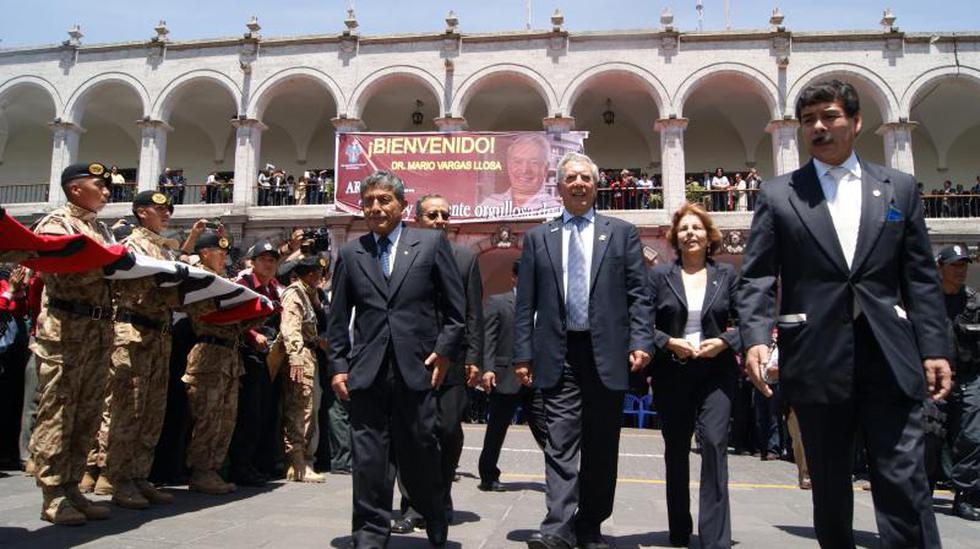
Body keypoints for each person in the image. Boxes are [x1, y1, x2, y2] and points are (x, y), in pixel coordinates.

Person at [738, 79, 952, 548]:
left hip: (889, 355)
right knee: (829, 484)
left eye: (830, 116)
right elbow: (756, 276)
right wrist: (755, 337)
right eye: (809, 119)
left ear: (855, 122)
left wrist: (935, 347)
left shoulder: (898, 188)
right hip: (816, 358)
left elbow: (919, 277)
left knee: (903, 479)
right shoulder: (779, 195)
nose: (819, 127)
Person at [514, 151, 653, 549]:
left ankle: (589, 523)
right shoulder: (539, 238)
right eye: (570, 178)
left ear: (597, 185)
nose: (578, 183)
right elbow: (526, 304)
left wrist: (642, 341)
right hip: (559, 355)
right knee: (559, 442)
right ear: (558, 188)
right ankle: (556, 528)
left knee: (602, 444)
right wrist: (522, 354)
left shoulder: (622, 234)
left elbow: (638, 296)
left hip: (607, 354)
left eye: (585, 178)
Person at [327, 170, 465, 547]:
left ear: (402, 206)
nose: (375, 207)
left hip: (418, 368)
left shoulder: (430, 244)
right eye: (369, 201)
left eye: (384, 200)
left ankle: (433, 513)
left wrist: (444, 352)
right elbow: (338, 319)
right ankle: (370, 531)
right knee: (369, 457)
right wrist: (338, 366)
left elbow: (456, 310)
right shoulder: (353, 253)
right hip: (367, 371)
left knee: (421, 448)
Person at [647, 202, 740, 548]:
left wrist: (724, 341)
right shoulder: (659, 276)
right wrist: (668, 342)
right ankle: (679, 529)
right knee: (676, 450)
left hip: (716, 372)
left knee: (715, 444)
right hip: (673, 372)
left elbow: (747, 320)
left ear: (709, 235)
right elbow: (641, 320)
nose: (690, 234)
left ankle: (715, 537)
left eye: (696, 228)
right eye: (684, 229)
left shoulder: (727, 275)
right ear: (675, 237)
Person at [30, 162, 116, 525]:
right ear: (76, 188)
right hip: (66, 330)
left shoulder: (101, 228)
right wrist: (108, 266)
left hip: (97, 330)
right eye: (101, 184)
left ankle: (72, 487)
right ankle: (52, 494)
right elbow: (58, 271)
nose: (108, 191)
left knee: (87, 412)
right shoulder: (55, 224)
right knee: (59, 410)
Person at [393, 193, 484, 534]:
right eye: (433, 214)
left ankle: (440, 495)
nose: (440, 220)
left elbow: (474, 311)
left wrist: (475, 356)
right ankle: (413, 505)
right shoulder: (403, 255)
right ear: (417, 219)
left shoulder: (465, 258)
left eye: (446, 214)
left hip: (454, 361)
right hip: (411, 358)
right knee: (413, 433)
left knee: (447, 430)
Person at [95, 191, 188, 510]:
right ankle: (118, 478)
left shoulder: (165, 250)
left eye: (169, 209)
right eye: (160, 209)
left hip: (160, 333)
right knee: (128, 407)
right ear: (140, 211)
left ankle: (139, 475)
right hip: (133, 330)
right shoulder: (132, 243)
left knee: (152, 409)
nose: (167, 214)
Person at [183, 232, 253, 495]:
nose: (224, 258)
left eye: (225, 254)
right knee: (207, 416)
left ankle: (213, 468)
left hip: (230, 355)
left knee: (226, 417)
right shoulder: (198, 278)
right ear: (204, 254)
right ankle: (201, 470)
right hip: (208, 352)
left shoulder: (224, 280)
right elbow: (205, 315)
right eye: (219, 253)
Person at [477, 260, 548, 491]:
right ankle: (488, 475)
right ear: (514, 278)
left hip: (536, 378)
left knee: (544, 428)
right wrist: (487, 368)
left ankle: (561, 475)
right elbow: (489, 338)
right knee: (497, 429)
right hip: (505, 375)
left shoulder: (544, 306)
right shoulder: (498, 302)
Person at [229, 239, 284, 486]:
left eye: (273, 260)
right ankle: (241, 466)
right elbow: (234, 315)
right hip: (247, 353)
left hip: (269, 356)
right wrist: (253, 335)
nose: (269, 264)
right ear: (253, 262)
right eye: (264, 259)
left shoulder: (274, 289)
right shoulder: (243, 284)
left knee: (265, 411)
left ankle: (261, 463)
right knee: (249, 412)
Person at [938, 244, 980, 521]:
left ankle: (964, 497)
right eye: (954, 265)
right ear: (940, 268)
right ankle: (920, 490)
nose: (961, 270)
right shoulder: (925, 300)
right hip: (933, 380)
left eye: (964, 264)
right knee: (928, 438)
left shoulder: (975, 302)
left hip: (969, 377)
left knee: (973, 437)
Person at [280, 255, 327, 483]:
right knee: (300, 408)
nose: (320, 279)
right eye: (318, 275)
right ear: (310, 275)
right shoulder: (295, 294)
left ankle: (302, 461)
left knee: (309, 407)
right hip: (301, 358)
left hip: (310, 354)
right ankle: (297, 463)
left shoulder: (309, 296)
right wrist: (296, 356)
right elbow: (290, 327)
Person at [479, 134, 559, 216]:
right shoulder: (489, 205)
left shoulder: (556, 212)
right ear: (509, 165)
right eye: (518, 162)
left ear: (545, 169)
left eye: (534, 162)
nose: (525, 170)